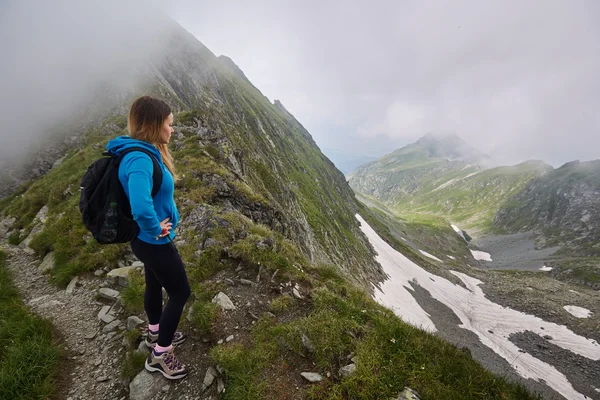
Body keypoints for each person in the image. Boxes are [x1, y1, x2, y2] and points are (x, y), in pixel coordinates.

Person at [106, 96, 190, 380]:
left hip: (143, 241)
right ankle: (160, 355)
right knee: (180, 292)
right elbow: (141, 205)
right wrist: (155, 228)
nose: (172, 130)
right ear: (156, 125)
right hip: (152, 240)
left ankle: (155, 332)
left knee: (154, 282)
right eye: (169, 124)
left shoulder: (142, 152)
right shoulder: (140, 158)